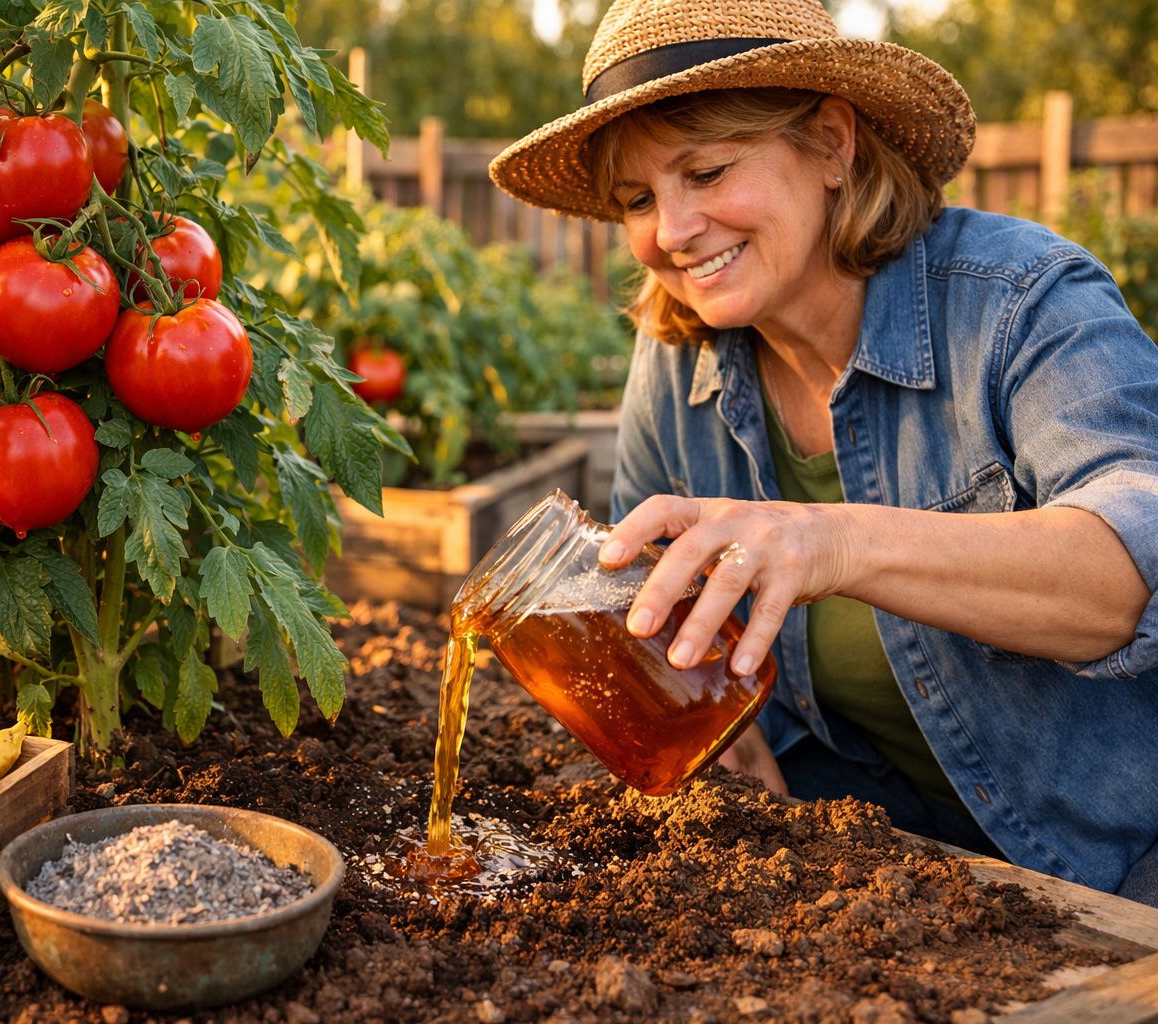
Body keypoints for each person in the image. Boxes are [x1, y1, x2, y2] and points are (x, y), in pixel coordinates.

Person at [489, 0, 1158, 905]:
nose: (674, 231)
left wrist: (832, 542)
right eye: (639, 200)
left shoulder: (1018, 302)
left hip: (1114, 863)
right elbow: (678, 635)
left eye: (708, 170)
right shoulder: (679, 358)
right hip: (891, 863)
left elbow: (1129, 575)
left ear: (833, 144)